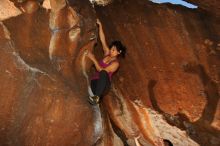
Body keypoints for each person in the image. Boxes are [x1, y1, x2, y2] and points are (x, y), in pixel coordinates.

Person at [86, 19, 126, 104]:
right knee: (99, 75)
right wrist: (100, 25)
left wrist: (93, 59)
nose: (111, 51)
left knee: (104, 72)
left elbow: (101, 71)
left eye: (114, 50)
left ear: (119, 52)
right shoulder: (107, 53)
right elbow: (102, 39)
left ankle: (96, 97)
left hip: (104, 87)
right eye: (111, 48)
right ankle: (96, 96)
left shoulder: (116, 64)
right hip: (95, 83)